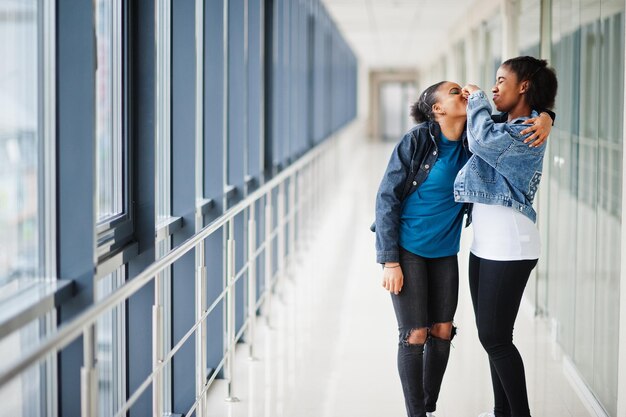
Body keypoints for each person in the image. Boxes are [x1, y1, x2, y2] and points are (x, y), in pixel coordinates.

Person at [373, 79, 554, 417]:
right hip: (408, 248)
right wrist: (389, 260)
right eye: (455, 92)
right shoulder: (416, 141)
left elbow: (518, 119)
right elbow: (386, 198)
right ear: (437, 108)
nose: (465, 94)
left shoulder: (477, 138)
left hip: (445, 251)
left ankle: (429, 405)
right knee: (415, 334)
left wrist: (547, 117)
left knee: (442, 330)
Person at [454, 56, 558, 417]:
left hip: (510, 245)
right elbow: (477, 131)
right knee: (495, 337)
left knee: (494, 338)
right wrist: (550, 115)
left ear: (524, 85)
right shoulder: (509, 123)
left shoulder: (526, 130)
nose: (494, 87)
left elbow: (481, 139)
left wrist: (480, 97)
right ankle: (502, 413)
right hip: (485, 244)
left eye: (501, 80)